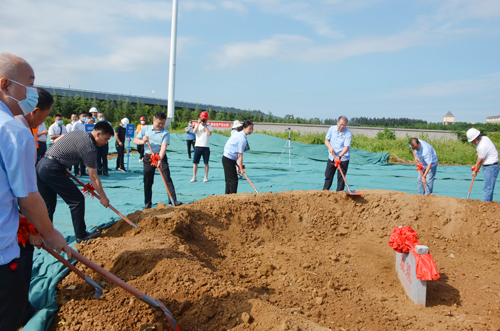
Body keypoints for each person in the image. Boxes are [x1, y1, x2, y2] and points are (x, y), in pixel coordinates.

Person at [0, 53, 69, 331]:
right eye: (29, 84)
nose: (32, 93)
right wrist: (50, 232)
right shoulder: (13, 132)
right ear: (5, 85)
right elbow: (28, 198)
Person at [13, 87, 54, 324]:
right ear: (35, 112)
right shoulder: (20, 134)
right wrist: (42, 231)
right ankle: (20, 312)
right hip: (8, 220)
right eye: (44, 117)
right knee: (22, 256)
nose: (43, 123)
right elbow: (27, 196)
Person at [36, 121, 114, 242]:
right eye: (106, 139)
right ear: (98, 134)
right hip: (52, 169)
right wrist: (103, 197)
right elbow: (93, 177)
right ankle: (81, 235)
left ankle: (44, 235)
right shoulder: (89, 148)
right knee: (76, 200)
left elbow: (58, 141)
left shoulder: (79, 132)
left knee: (48, 204)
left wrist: (62, 163)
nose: (106, 143)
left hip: (42, 165)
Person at [134, 112, 182, 209]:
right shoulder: (145, 129)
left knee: (166, 177)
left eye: (163, 123)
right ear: (153, 120)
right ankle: (148, 203)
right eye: (159, 123)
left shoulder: (165, 133)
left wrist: (159, 159)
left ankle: (173, 200)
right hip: (148, 157)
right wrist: (143, 141)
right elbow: (136, 140)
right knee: (147, 181)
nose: (160, 125)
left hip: (160, 156)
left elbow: (163, 147)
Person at [14, 88, 53, 164]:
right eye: (45, 116)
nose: (44, 120)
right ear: (35, 111)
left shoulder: (10, 124)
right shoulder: (24, 136)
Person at [222, 120, 254, 194]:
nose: (251, 131)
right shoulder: (241, 138)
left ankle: (228, 196)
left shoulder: (241, 134)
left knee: (229, 180)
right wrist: (241, 169)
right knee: (233, 180)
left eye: (252, 129)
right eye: (250, 129)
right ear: (244, 128)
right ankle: (232, 197)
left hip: (230, 159)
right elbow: (240, 155)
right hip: (228, 159)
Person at [467, 128, 499, 202]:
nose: (473, 143)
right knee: (488, 188)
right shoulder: (485, 138)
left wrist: (475, 171)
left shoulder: (482, 146)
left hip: (491, 167)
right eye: (472, 142)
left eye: (473, 141)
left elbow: (479, 161)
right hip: (491, 166)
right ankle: (488, 205)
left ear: (477, 137)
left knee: (487, 189)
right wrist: (480, 155)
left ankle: (485, 205)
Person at [322, 116, 352, 192]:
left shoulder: (348, 133)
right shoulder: (332, 129)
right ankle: (325, 191)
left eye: (344, 125)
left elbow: (346, 147)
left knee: (341, 178)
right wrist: (330, 147)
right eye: (341, 124)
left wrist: (339, 156)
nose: (342, 126)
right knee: (328, 175)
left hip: (343, 158)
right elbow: (326, 140)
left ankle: (339, 193)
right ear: (337, 122)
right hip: (332, 156)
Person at [191, 111, 213, 183]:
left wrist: (205, 126)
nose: (204, 120)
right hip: (197, 146)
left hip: (206, 147)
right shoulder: (197, 125)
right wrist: (198, 123)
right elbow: (194, 132)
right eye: (203, 119)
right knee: (195, 163)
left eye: (205, 119)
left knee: (206, 163)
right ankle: (194, 176)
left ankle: (206, 176)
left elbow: (209, 134)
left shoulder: (209, 126)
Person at [72, 112, 88, 177]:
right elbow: (73, 133)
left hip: (85, 143)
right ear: (79, 116)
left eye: (85, 116)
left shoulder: (86, 124)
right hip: (77, 143)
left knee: (83, 158)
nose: (84, 117)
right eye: (82, 116)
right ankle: (76, 172)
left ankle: (83, 171)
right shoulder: (76, 124)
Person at [96, 112, 109, 176]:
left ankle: (105, 170)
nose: (101, 117)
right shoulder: (95, 124)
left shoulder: (108, 124)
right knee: (97, 157)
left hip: (105, 142)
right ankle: (99, 170)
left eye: (102, 116)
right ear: (97, 117)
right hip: (97, 143)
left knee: (104, 157)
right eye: (100, 116)